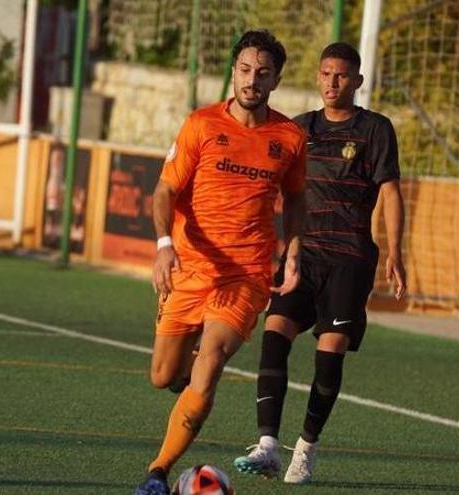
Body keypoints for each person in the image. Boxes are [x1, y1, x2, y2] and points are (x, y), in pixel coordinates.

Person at [134, 29, 308, 495]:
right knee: (163, 377)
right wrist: (163, 246)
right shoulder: (201, 125)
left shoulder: (289, 137)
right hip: (190, 267)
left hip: (246, 274)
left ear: (276, 80)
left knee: (210, 362)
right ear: (233, 72)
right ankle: (183, 374)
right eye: (246, 70)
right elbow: (165, 191)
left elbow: (294, 199)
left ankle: (157, 472)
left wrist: (293, 250)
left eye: (263, 73)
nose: (253, 80)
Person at [233, 41, 407, 485]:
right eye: (327, 74)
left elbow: (390, 192)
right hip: (302, 254)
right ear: (317, 77)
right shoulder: (298, 129)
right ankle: (268, 444)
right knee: (275, 333)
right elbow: (272, 187)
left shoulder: (375, 130)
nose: (333, 82)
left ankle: (305, 450)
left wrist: (396, 252)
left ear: (358, 81)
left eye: (343, 75)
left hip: (349, 259)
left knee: (329, 355)